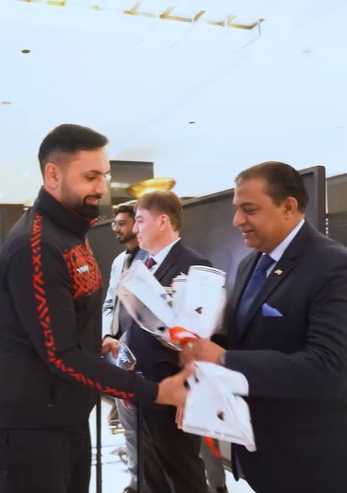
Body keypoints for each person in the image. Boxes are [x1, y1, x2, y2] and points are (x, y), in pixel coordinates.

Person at [0, 123, 192, 493]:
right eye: (91, 176)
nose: (101, 188)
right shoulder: (36, 246)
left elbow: (61, 327)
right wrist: (155, 391)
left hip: (68, 417)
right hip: (31, 431)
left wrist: (96, 344)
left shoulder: (71, 235)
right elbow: (59, 354)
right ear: (53, 175)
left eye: (104, 176)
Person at [181, 162, 347, 493]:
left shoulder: (334, 265)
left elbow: (330, 367)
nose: (237, 221)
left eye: (249, 209)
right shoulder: (251, 263)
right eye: (236, 209)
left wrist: (224, 359)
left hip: (323, 461)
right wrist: (195, 342)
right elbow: (246, 335)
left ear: (289, 207)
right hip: (270, 455)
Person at [121, 190, 210, 493]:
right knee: (151, 473)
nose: (135, 228)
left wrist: (192, 389)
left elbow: (202, 336)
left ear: (162, 221)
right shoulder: (142, 264)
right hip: (142, 385)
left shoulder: (193, 265)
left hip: (172, 389)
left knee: (182, 474)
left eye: (140, 220)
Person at [101, 202, 147, 493]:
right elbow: (110, 302)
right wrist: (107, 334)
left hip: (146, 353)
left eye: (121, 223)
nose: (116, 228)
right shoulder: (119, 261)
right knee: (129, 424)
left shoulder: (151, 259)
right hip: (120, 354)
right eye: (114, 223)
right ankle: (136, 481)